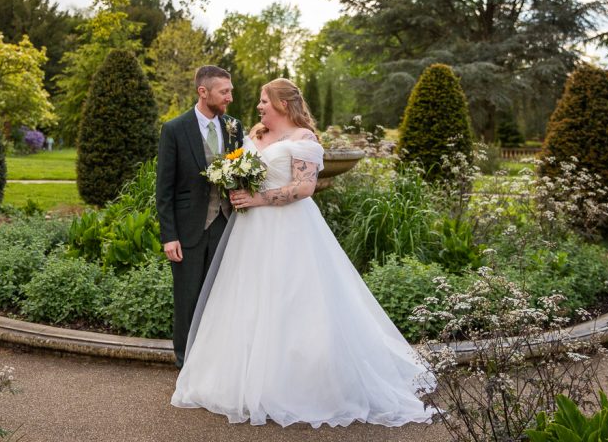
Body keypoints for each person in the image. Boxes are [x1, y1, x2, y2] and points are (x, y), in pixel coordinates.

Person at [171, 78, 440, 428]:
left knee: (294, 301)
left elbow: (305, 187)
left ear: (283, 104)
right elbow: (244, 172)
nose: (259, 106)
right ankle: (242, 379)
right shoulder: (253, 135)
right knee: (247, 300)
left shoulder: (303, 139)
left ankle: (299, 384)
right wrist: (236, 185)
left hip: (289, 228)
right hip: (250, 233)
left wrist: (257, 199)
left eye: (264, 100)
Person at [156, 65, 245, 369]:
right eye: (224, 91)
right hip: (188, 229)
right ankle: (186, 366)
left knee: (220, 297)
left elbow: (241, 172)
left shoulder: (234, 127)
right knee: (188, 299)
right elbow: (164, 189)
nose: (230, 97)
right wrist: (169, 236)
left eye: (230, 91)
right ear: (203, 92)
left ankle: (213, 365)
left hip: (225, 224)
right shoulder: (174, 129)